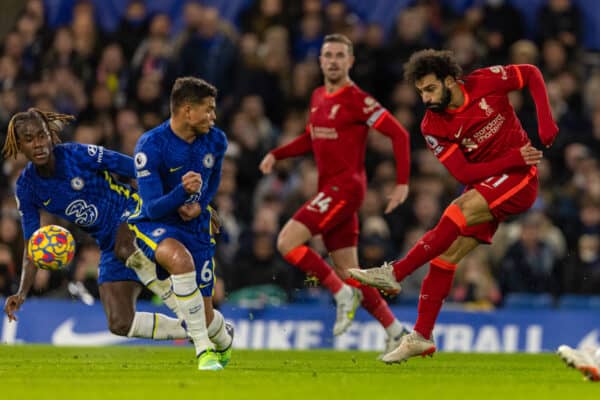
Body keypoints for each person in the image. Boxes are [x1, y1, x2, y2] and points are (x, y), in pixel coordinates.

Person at [349, 49, 559, 363]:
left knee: (457, 211)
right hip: (489, 180)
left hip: (519, 179)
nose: (425, 99)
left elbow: (530, 73)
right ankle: (421, 336)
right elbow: (463, 173)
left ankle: (396, 272)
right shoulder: (432, 125)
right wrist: (512, 156)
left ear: (450, 81)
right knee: (444, 257)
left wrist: (545, 122)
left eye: (430, 89)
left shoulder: (486, 81)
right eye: (420, 92)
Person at [259, 34, 411, 355]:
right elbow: (310, 139)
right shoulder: (317, 96)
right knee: (349, 271)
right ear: (320, 60)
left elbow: (398, 134)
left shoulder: (357, 99)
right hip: (330, 190)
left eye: (340, 55)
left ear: (350, 61)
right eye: (327, 55)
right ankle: (396, 331)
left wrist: (401, 183)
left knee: (286, 242)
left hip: (346, 187)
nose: (333, 61)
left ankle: (340, 294)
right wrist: (277, 154)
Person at [2, 108, 188, 342]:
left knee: (125, 248)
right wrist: (21, 292)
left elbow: (133, 168)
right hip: (108, 242)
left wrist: (180, 196)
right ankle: (198, 329)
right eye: (29, 140)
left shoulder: (76, 154)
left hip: (134, 211)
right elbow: (33, 244)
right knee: (120, 323)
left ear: (50, 135)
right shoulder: (27, 187)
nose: (38, 144)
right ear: (19, 145)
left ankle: (193, 318)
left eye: (41, 135)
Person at [128, 77, 231, 371]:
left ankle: (221, 340)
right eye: (208, 110)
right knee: (179, 260)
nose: (213, 116)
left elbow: (213, 181)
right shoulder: (151, 146)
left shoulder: (216, 140)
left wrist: (201, 204)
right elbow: (152, 207)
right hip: (157, 224)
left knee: (208, 320)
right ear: (187, 110)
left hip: (196, 225)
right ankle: (203, 351)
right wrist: (181, 194)